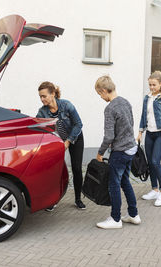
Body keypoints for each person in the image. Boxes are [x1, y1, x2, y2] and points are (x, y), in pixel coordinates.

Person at [94, 75, 141, 229]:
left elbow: (109, 136)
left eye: (99, 94)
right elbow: (131, 124)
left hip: (120, 151)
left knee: (113, 184)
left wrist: (100, 153)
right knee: (125, 181)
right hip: (131, 148)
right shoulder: (125, 102)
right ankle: (134, 215)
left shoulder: (110, 108)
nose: (100, 97)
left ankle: (115, 219)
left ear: (104, 90)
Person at [36, 81, 86, 210]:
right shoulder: (42, 112)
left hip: (75, 138)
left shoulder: (66, 105)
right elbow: (37, 128)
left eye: (44, 96)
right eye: (40, 96)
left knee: (76, 168)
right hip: (59, 142)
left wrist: (68, 141)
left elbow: (78, 124)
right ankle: (53, 200)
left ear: (52, 94)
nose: (42, 99)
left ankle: (78, 199)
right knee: (56, 171)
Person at [137, 70, 161, 207]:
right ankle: (154, 189)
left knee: (155, 161)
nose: (151, 87)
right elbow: (143, 115)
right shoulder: (148, 97)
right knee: (150, 163)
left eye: (154, 85)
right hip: (150, 133)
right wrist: (140, 132)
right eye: (150, 85)